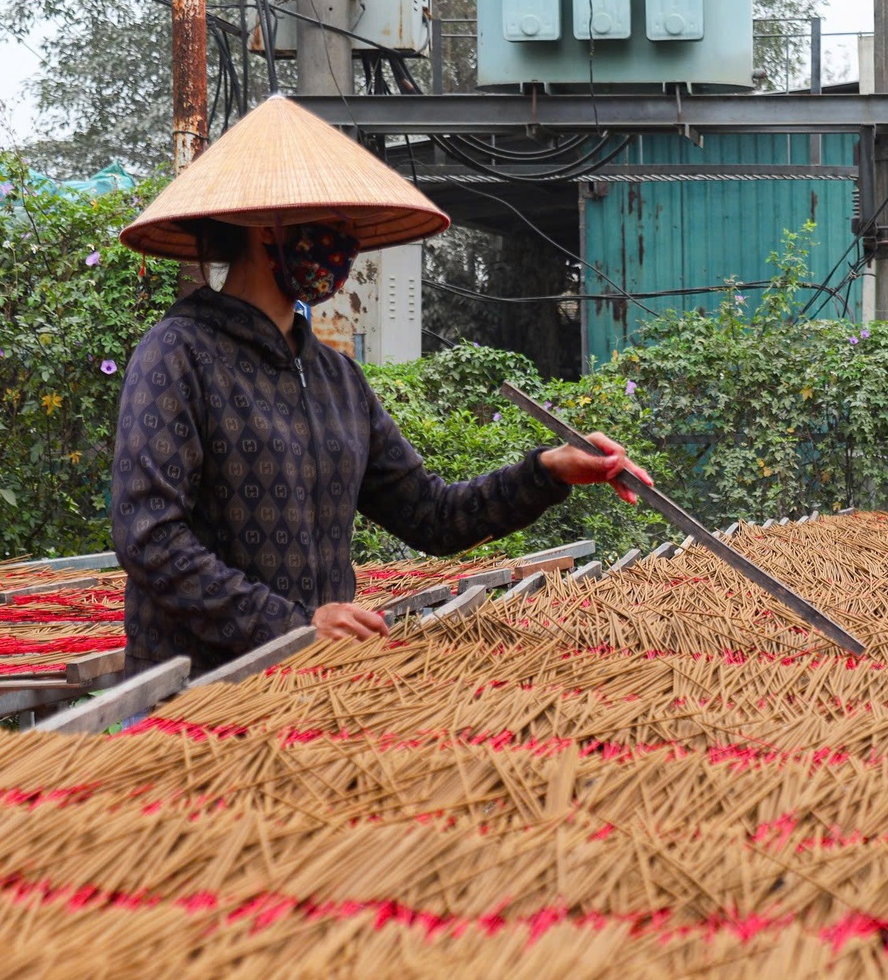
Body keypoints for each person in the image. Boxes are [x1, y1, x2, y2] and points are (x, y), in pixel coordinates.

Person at [110, 96, 650, 675]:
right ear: (263, 227)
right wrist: (291, 626)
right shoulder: (178, 353)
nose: (345, 243)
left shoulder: (335, 378)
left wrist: (549, 470)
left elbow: (433, 515)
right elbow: (149, 537)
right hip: (199, 689)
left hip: (313, 685)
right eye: (330, 225)